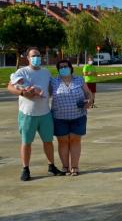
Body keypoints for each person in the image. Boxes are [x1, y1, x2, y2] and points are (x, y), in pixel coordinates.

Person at [7, 48, 66, 181]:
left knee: (48, 141)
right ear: (27, 57)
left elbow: (52, 88)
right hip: (27, 114)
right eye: (33, 56)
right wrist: (22, 93)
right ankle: (25, 169)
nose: (36, 58)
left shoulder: (46, 72)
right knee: (26, 142)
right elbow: (10, 87)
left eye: (38, 56)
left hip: (45, 113)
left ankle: (51, 166)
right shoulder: (22, 72)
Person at [51, 60, 93, 176]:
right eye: (61, 67)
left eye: (66, 66)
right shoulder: (54, 81)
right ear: (58, 70)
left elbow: (88, 93)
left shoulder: (79, 79)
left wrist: (89, 100)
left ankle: (75, 166)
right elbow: (45, 94)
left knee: (75, 141)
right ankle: (65, 167)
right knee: (63, 142)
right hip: (59, 117)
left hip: (78, 116)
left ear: (71, 67)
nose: (64, 68)